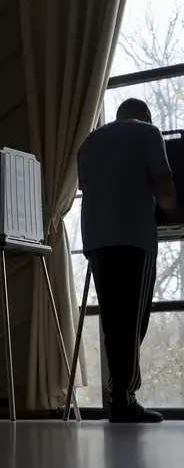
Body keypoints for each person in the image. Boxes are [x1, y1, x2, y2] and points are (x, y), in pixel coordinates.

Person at [77, 97, 178, 423]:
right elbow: (165, 190)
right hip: (133, 235)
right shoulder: (149, 134)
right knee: (134, 321)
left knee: (113, 319)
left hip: (96, 239)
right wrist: (173, 210)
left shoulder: (89, 142)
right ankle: (124, 400)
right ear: (145, 117)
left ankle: (118, 398)